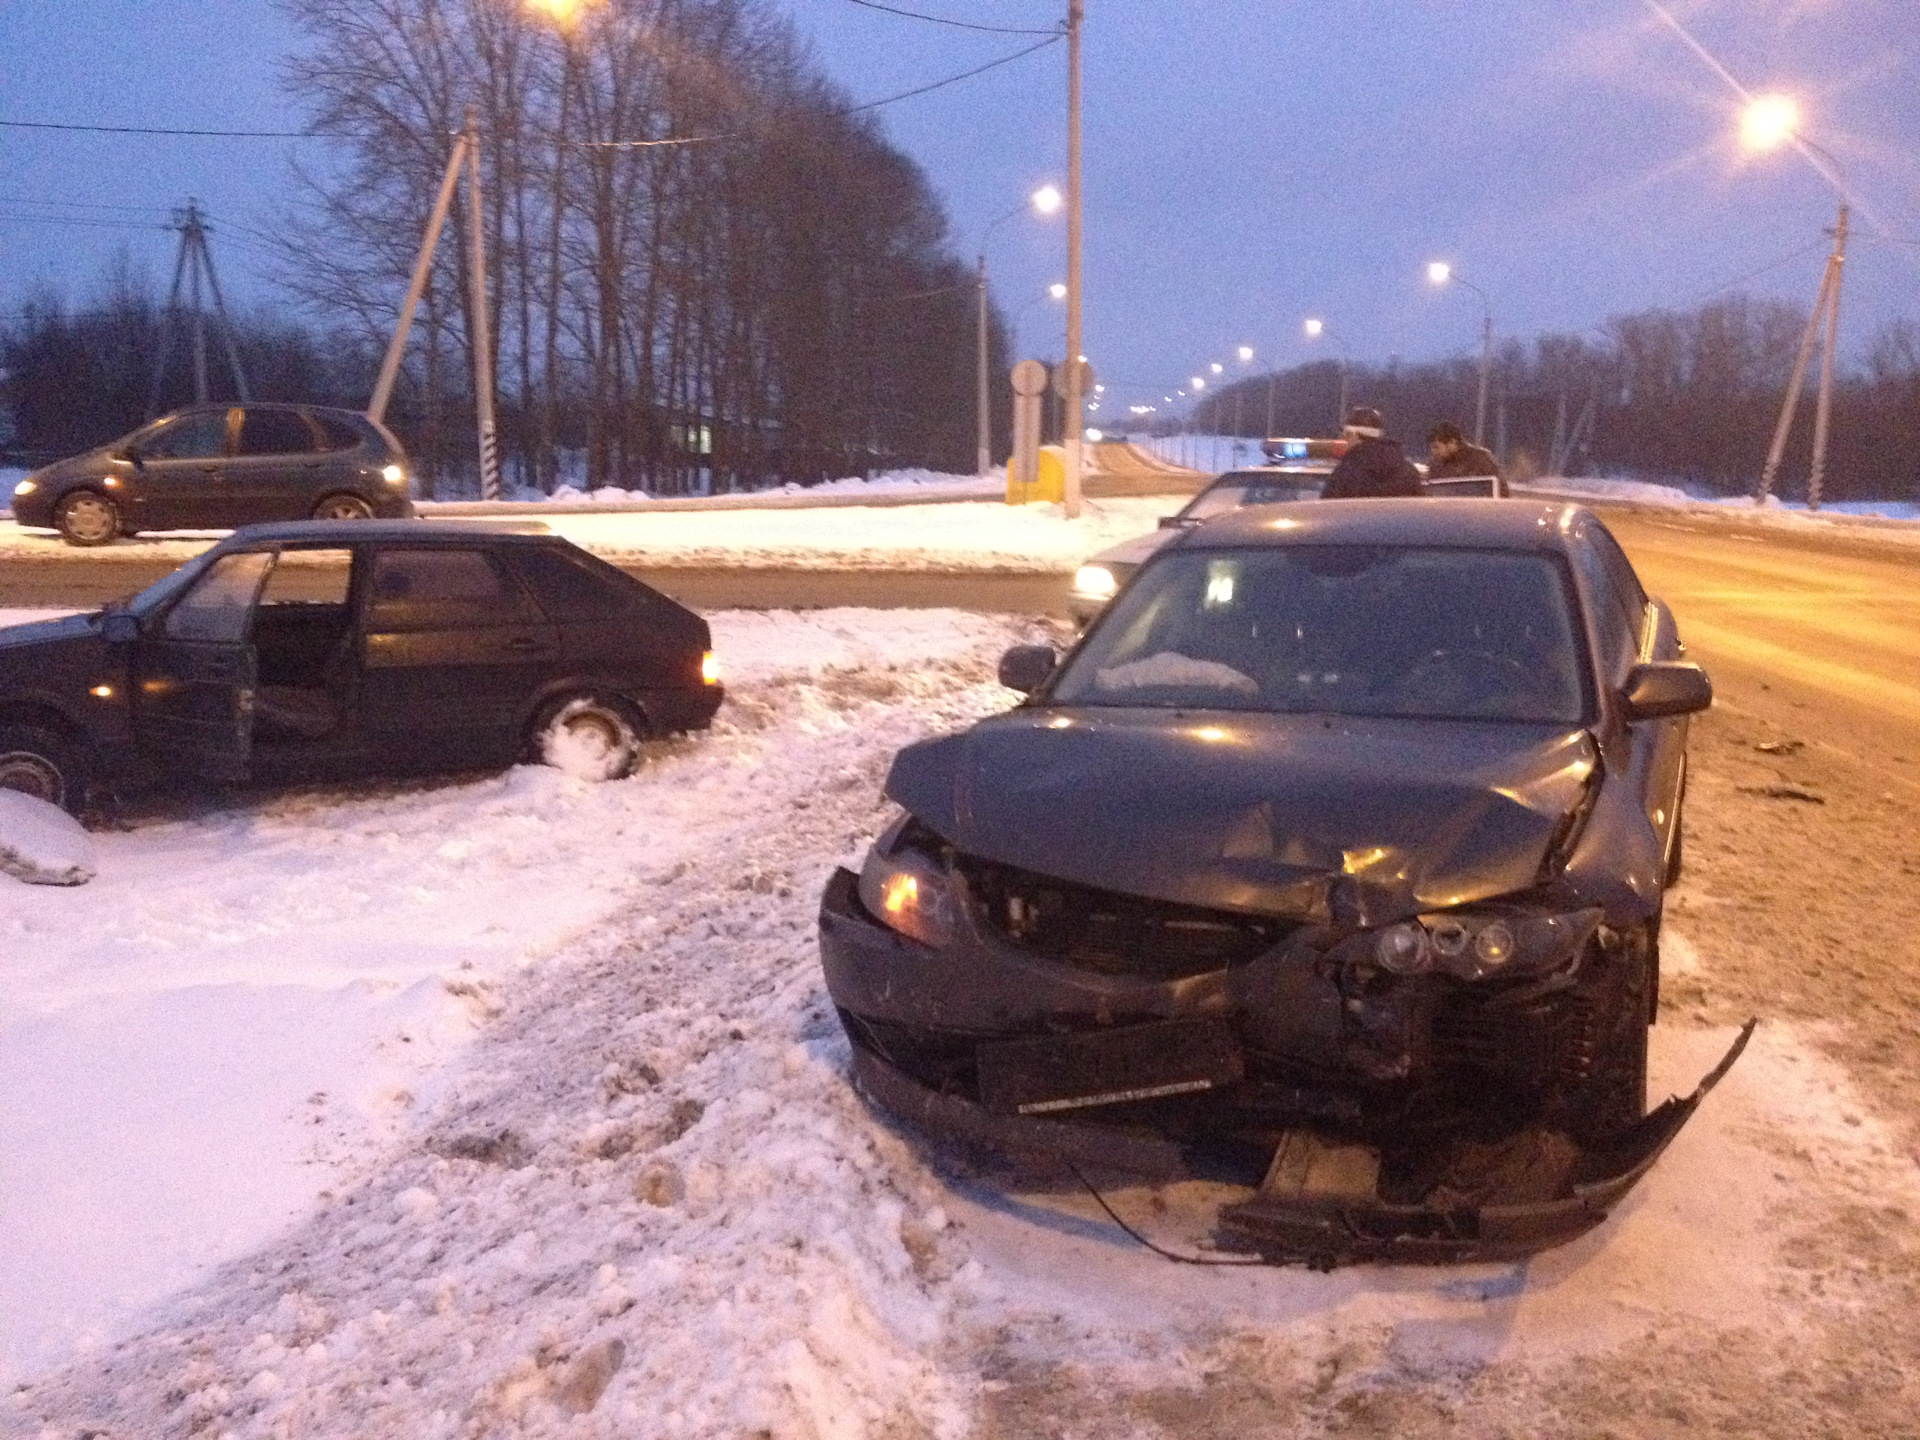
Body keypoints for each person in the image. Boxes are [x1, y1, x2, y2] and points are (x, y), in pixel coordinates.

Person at [1322, 406, 1425, 498]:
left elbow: (1328, 511)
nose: (1345, 440)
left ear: (1352, 434)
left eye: (1346, 435)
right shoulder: (1408, 471)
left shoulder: (1344, 473)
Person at [1426, 421, 1503, 488]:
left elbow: (1500, 489)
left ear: (1452, 442)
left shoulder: (1481, 460)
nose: (1433, 452)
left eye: (1436, 447)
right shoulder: (1435, 465)